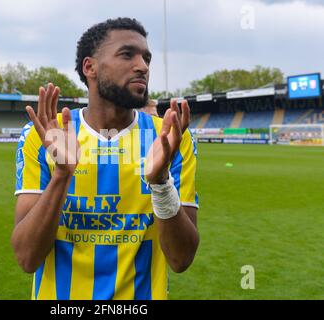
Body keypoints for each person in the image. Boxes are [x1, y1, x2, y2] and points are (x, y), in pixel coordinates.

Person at [11, 17, 199, 300]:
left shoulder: (170, 137)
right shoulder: (43, 136)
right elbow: (27, 258)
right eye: (127, 54)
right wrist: (62, 176)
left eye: (147, 58)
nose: (143, 66)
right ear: (90, 67)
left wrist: (161, 184)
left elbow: (181, 259)